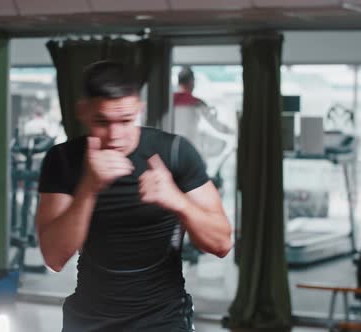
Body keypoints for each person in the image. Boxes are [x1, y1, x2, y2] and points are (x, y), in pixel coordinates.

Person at [36, 60, 232, 332]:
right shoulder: (64, 160)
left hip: (164, 319)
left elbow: (221, 243)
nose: (115, 136)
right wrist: (88, 189)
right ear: (83, 111)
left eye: (126, 121)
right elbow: (54, 258)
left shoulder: (174, 153)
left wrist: (177, 200)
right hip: (89, 320)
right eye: (102, 122)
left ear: (139, 109)